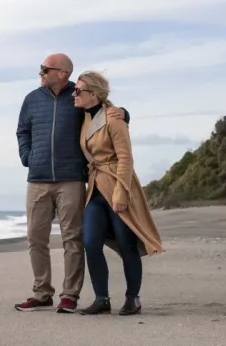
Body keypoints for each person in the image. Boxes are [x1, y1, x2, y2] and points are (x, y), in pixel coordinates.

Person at [14, 53, 128, 313]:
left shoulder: (79, 95)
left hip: (72, 179)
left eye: (45, 69)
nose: (40, 73)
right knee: (35, 238)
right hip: (38, 179)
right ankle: (42, 293)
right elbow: (22, 130)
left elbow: (103, 112)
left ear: (62, 73)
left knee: (72, 239)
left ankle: (70, 295)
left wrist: (124, 113)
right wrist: (27, 156)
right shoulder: (31, 99)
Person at [72, 71, 163, 316]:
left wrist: (121, 192)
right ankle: (102, 298)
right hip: (95, 189)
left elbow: (126, 157)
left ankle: (133, 299)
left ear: (94, 94)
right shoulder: (84, 119)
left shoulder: (114, 118)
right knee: (90, 243)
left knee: (126, 245)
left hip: (116, 185)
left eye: (79, 90)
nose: (74, 94)